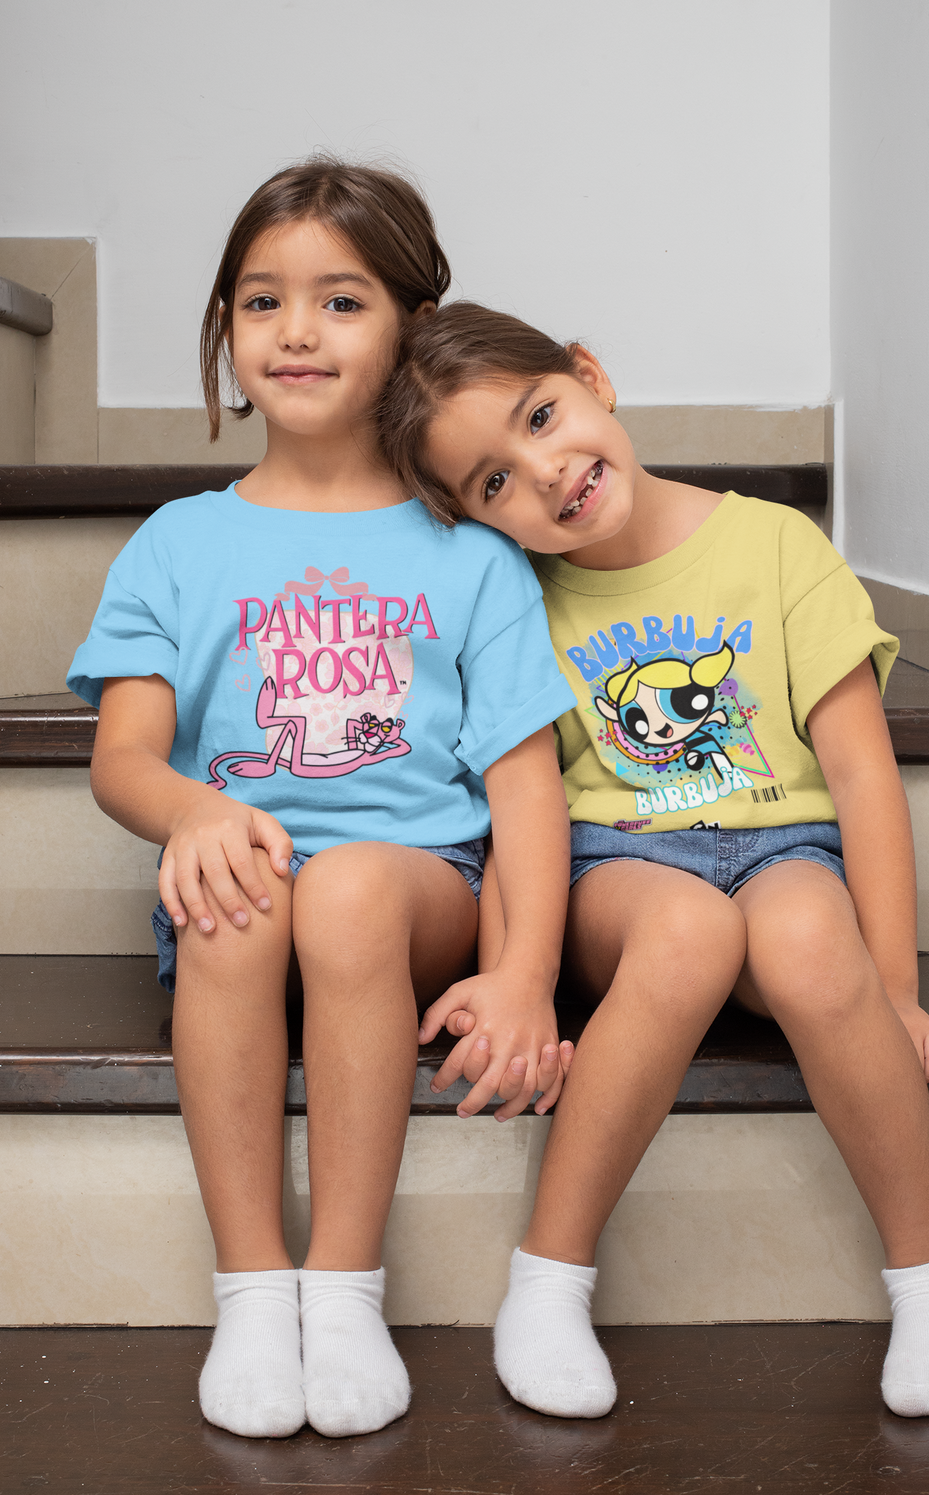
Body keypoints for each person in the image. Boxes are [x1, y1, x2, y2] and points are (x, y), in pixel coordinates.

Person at [377, 301, 929, 1422]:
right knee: (687, 929)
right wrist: (518, 969)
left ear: (590, 374)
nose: (546, 471)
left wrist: (889, 985)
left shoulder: (773, 543)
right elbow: (518, 803)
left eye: (542, 416)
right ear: (473, 521)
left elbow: (861, 778)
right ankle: (549, 1279)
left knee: (809, 935)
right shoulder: (519, 598)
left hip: (784, 844)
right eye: (494, 482)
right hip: (615, 859)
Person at [67, 167, 576, 1441]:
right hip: (243, 894)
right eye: (261, 300)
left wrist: (524, 973)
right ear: (228, 334)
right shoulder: (181, 541)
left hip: (415, 899)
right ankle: (253, 1288)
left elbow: (523, 787)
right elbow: (123, 756)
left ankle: (344, 1289)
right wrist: (195, 812)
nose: (294, 330)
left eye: (339, 300)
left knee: (347, 886)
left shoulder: (472, 552)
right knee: (241, 895)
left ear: (410, 324)